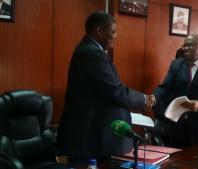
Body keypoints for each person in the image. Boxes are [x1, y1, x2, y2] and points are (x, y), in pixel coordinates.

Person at [57, 11, 155, 167]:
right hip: (89, 137)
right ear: (99, 30)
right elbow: (115, 91)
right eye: (113, 31)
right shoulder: (91, 53)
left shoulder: (90, 50)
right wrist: (144, 99)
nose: (115, 36)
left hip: (95, 136)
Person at [153, 34, 198, 148]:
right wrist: (153, 97)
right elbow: (164, 87)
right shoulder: (176, 64)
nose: (185, 48)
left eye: (190, 45)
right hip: (177, 127)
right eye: (185, 44)